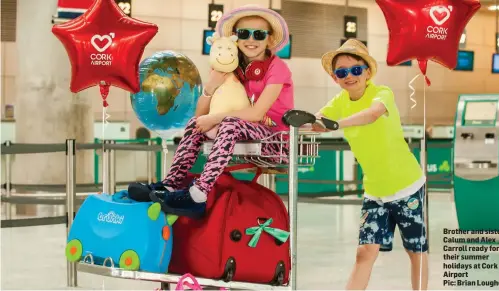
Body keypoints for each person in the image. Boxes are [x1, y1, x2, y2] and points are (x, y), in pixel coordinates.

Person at [128, 5, 294, 219]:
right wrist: (210, 87)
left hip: (275, 139)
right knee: (194, 125)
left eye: (259, 34)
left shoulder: (277, 69)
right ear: (235, 38)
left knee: (229, 123)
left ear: (269, 40)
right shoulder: (233, 69)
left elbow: (256, 113)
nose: (251, 39)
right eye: (244, 33)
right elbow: (199, 117)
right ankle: (169, 185)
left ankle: (198, 195)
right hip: (245, 135)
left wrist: (215, 118)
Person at [313, 39, 428, 290]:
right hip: (375, 191)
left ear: (367, 71)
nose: (349, 76)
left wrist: (336, 124)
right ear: (335, 78)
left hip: (407, 185)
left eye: (355, 69)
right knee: (364, 252)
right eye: (342, 72)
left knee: (415, 250)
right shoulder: (339, 102)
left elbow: (372, 114)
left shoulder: (381, 92)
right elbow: (316, 122)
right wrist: (294, 124)